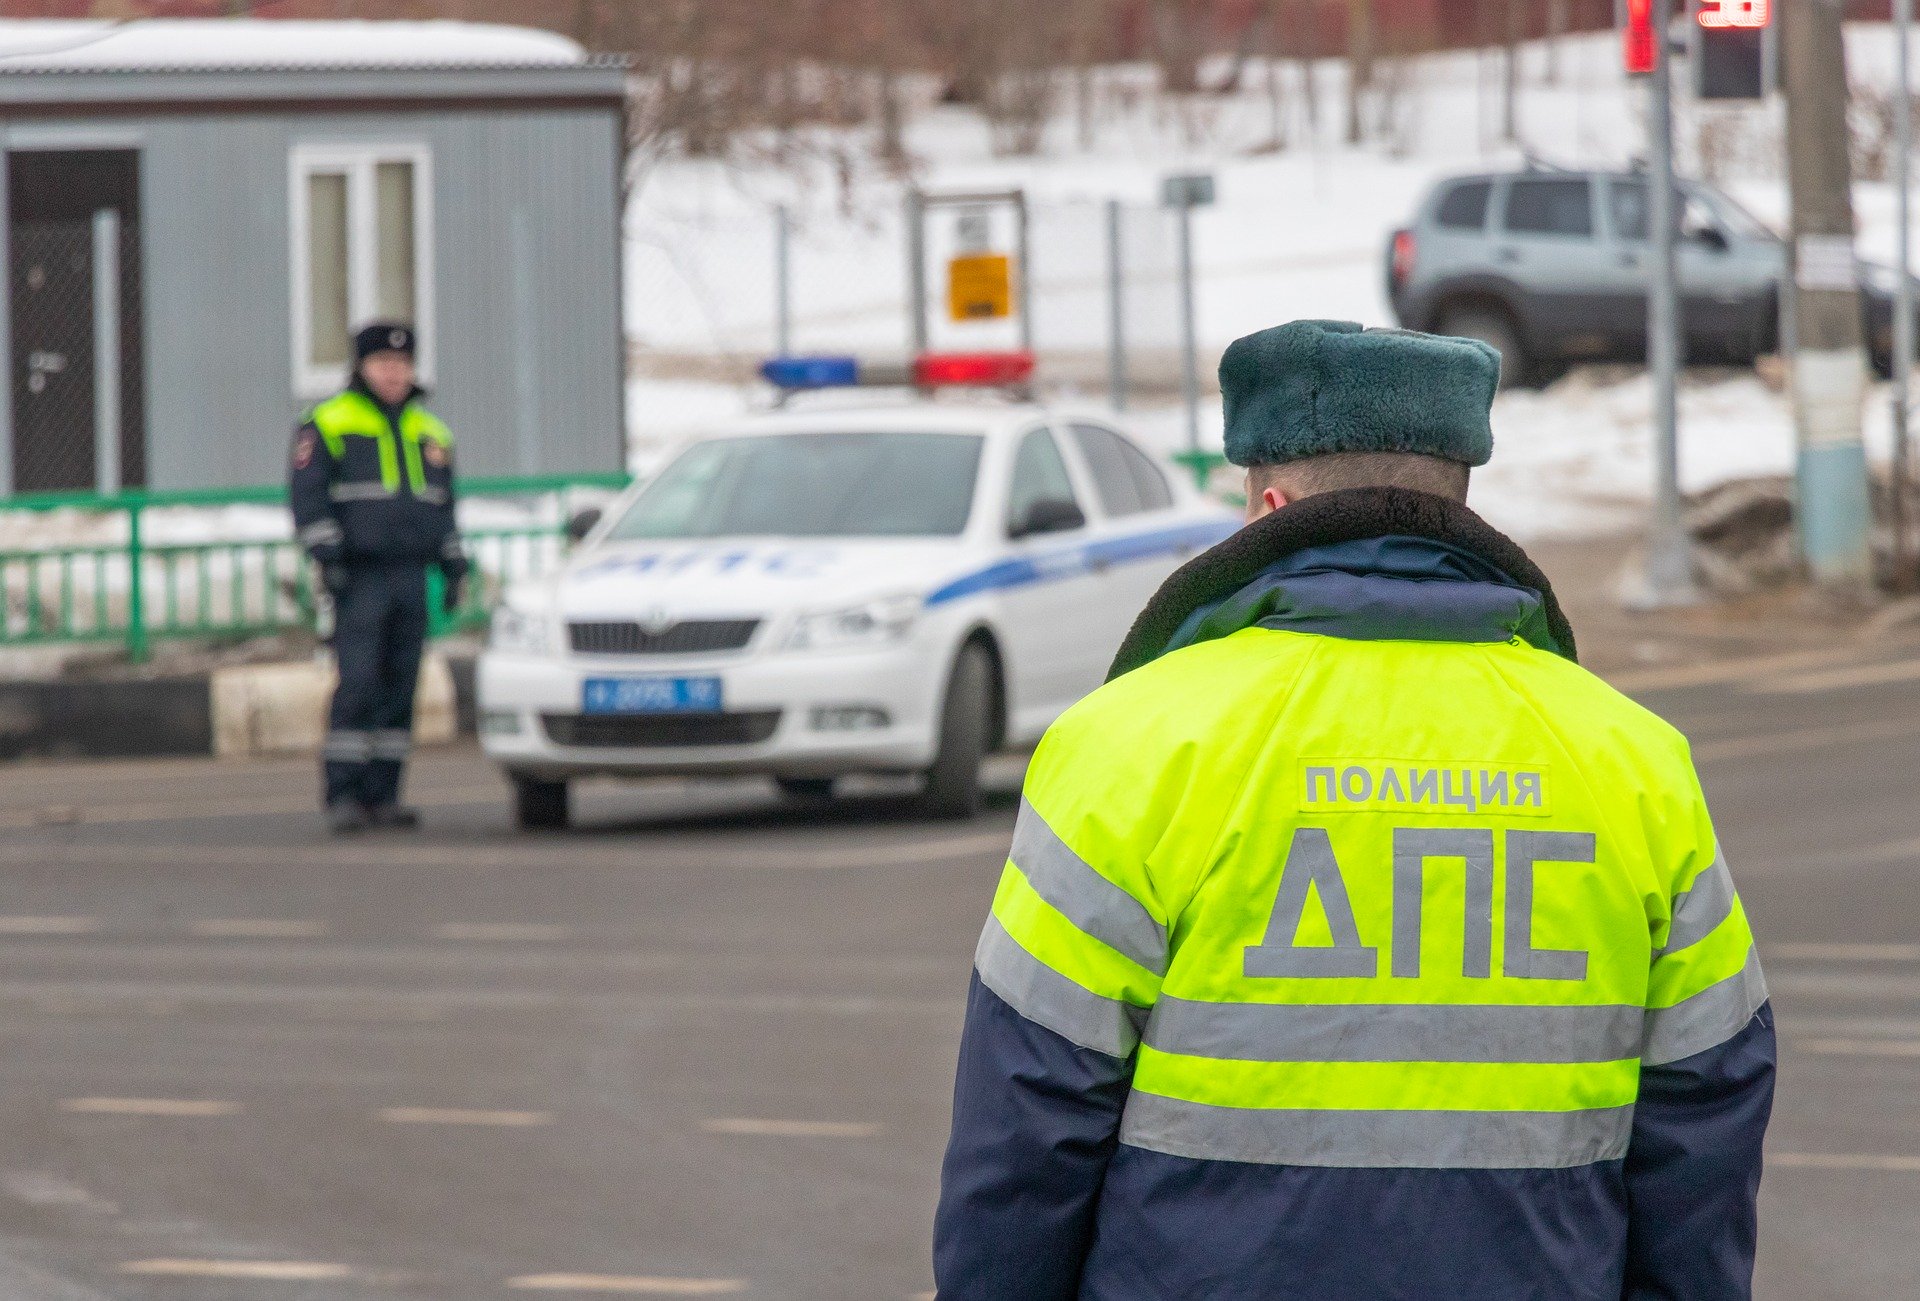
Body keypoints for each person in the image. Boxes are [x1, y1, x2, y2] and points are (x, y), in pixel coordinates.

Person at [933, 320, 1774, 1299]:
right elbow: (1708, 1108)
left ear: (1271, 504)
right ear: (1457, 499)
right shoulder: (1635, 764)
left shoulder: (1127, 746)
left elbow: (1026, 1126)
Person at [290, 322, 467, 834]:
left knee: (399, 687)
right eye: (383, 364)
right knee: (359, 683)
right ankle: (343, 793)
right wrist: (328, 555)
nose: (394, 373)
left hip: (411, 575)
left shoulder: (431, 433)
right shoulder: (327, 422)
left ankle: (384, 796)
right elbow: (308, 496)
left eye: (403, 364)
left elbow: (445, 508)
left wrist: (453, 564)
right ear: (361, 367)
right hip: (360, 577)